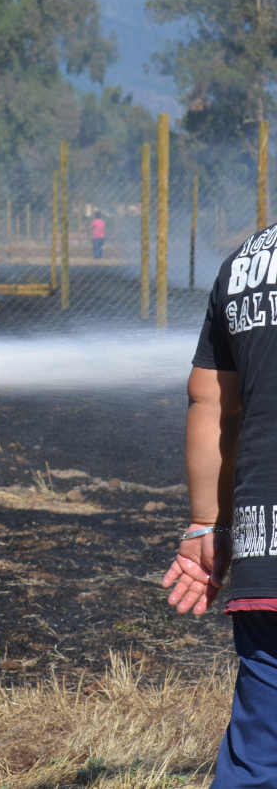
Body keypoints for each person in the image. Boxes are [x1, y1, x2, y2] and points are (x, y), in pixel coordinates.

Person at [163, 221, 277, 788]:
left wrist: (205, 524)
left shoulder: (245, 263)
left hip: (264, 553)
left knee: (259, 757)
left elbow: (209, 401)